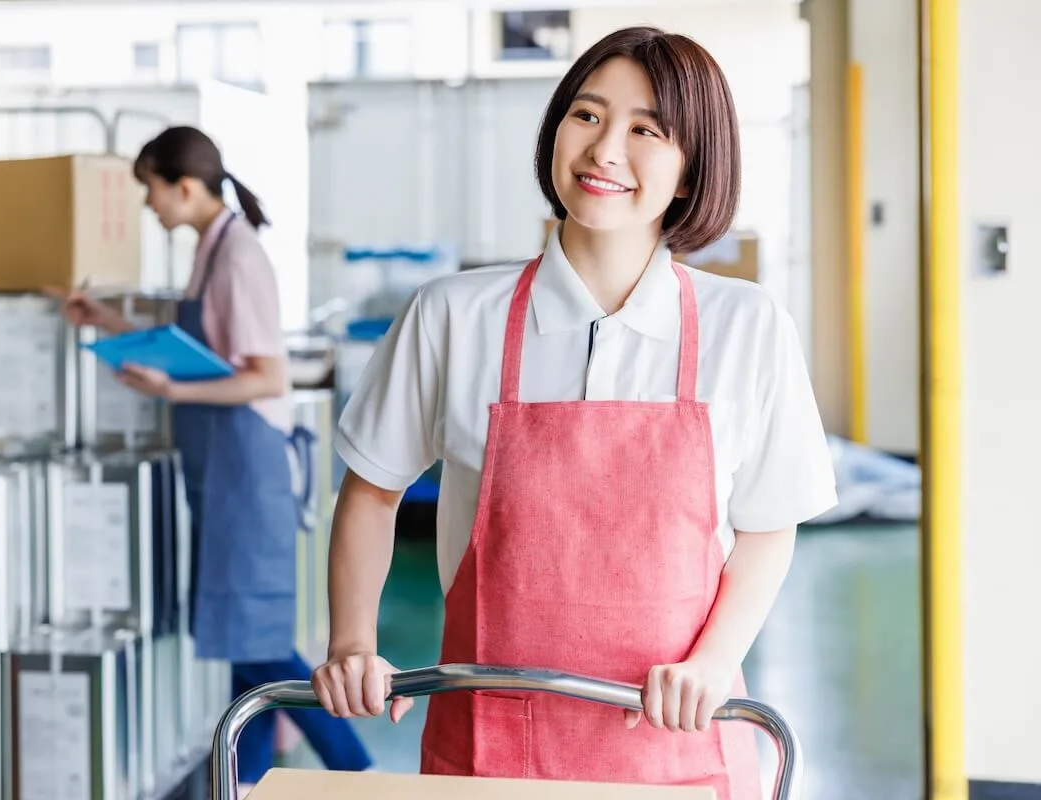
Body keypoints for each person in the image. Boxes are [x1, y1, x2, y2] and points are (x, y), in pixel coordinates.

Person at [310, 27, 837, 798]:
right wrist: (354, 640)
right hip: (489, 750)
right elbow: (373, 489)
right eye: (586, 116)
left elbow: (768, 526)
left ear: (692, 169)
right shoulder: (454, 315)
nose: (605, 150)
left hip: (676, 746)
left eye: (646, 130)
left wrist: (714, 662)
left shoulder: (747, 325)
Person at [48, 126, 372, 791]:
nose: (148, 206)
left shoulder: (240, 257)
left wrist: (173, 388)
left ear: (184, 187)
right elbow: (190, 327)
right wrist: (107, 320)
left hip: (247, 476)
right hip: (221, 476)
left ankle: (357, 769)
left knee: (257, 647)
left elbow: (265, 378)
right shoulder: (212, 249)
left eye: (151, 190)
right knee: (235, 646)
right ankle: (245, 781)